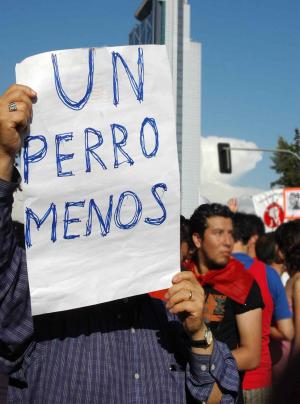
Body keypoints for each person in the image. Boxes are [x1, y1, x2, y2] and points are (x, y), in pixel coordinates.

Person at [0, 84, 239, 403]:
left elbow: (219, 396)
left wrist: (199, 334)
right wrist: (3, 158)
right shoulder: (46, 306)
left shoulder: (172, 320)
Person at [186, 204, 263, 404]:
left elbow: (252, 355)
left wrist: (199, 366)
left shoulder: (243, 283)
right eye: (218, 233)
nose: (228, 241)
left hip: (221, 396)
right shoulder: (180, 279)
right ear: (197, 239)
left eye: (230, 233)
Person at [232, 212, 293, 404]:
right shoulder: (268, 274)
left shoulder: (210, 271)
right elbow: (287, 331)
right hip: (258, 378)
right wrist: (264, 330)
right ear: (254, 239)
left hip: (219, 376)